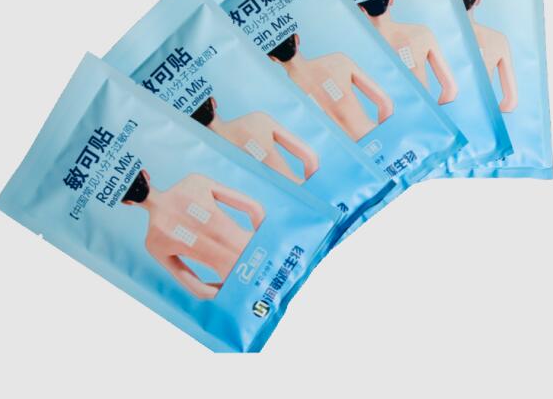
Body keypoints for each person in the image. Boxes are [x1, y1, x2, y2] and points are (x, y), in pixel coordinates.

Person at [122, 170, 265, 300]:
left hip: (242, 280)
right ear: (145, 174)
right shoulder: (193, 183)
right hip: (261, 250)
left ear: (127, 202)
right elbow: (254, 208)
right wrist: (268, 242)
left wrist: (236, 289)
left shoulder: (154, 242)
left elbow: (201, 291)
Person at [267, 33, 393, 141]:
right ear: (297, 38)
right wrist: (384, 140)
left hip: (350, 158)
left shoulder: (285, 96)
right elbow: (384, 102)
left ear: (272, 58)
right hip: (374, 137)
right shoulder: (337, 62)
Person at [190, 97, 319, 184]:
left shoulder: (210, 158)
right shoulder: (256, 120)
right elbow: (309, 156)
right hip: (298, 187)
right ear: (213, 102)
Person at [358, 0, 458, 105]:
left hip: (393, 115)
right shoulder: (420, 33)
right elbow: (450, 88)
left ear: (361, 8)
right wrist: (433, 114)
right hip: (425, 112)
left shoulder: (360, 49)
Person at [462, 0, 518, 112]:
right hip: (480, 116)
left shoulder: (430, 36)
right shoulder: (497, 39)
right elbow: (511, 101)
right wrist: (489, 119)